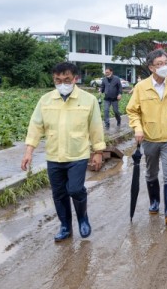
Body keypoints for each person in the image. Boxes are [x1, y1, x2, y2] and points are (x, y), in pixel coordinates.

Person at [21, 62, 105, 242]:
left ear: (75, 78)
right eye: (58, 80)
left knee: (75, 189)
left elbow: (96, 127)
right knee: (58, 194)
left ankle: (83, 218)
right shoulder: (45, 100)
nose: (62, 84)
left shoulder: (88, 100)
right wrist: (29, 151)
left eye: (67, 79)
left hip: (78, 154)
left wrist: (98, 151)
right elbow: (36, 126)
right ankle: (65, 226)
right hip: (54, 155)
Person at [126, 49, 167, 225]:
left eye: (165, 63)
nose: (164, 67)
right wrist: (137, 128)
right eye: (159, 64)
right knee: (151, 173)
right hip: (149, 138)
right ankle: (155, 201)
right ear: (151, 67)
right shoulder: (141, 87)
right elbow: (132, 110)